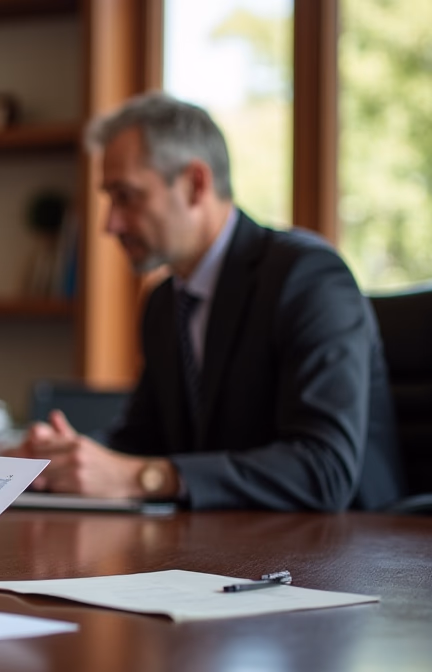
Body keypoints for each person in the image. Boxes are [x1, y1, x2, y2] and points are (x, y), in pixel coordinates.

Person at [20, 92, 402, 511]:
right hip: (228, 550)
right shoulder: (164, 303)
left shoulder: (308, 279)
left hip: (347, 556)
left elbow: (323, 470)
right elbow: (143, 439)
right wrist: (62, 460)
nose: (109, 224)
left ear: (195, 184)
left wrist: (144, 476)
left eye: (125, 196)